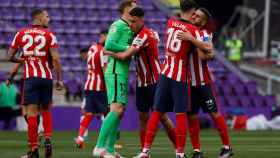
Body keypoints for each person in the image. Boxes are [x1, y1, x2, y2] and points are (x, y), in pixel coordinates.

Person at [134, 1, 213, 158]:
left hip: (164, 73)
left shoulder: (171, 22)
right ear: (191, 12)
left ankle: (145, 151)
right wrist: (191, 38)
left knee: (156, 112)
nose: (195, 16)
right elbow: (208, 49)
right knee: (180, 114)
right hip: (179, 77)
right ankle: (180, 153)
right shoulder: (193, 30)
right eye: (195, 13)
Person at [104, 7, 176, 149]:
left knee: (162, 117)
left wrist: (108, 51)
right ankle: (144, 151)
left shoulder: (144, 35)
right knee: (142, 117)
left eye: (133, 21)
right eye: (130, 21)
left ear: (141, 20)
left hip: (154, 81)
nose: (131, 25)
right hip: (141, 82)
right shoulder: (140, 35)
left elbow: (125, 55)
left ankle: (177, 148)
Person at [7, 9, 63, 158]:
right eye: (46, 16)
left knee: (31, 113)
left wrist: (25, 60)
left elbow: (9, 56)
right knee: (46, 110)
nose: (48, 19)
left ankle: (34, 150)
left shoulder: (21, 33)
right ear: (39, 18)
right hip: (46, 78)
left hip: (30, 78)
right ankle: (48, 138)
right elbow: (56, 59)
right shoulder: (50, 34)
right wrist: (59, 80)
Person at [183, 8, 233, 158]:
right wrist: (207, 50)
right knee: (191, 117)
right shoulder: (184, 32)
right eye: (194, 14)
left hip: (202, 82)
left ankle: (227, 147)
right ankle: (197, 151)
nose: (194, 17)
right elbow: (208, 53)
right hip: (188, 83)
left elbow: (205, 56)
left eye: (198, 17)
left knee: (214, 113)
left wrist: (192, 40)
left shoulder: (205, 35)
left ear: (203, 22)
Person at [92, 1, 136, 157]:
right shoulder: (119, 24)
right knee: (116, 109)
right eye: (133, 6)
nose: (136, 9)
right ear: (125, 9)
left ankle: (110, 150)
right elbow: (109, 44)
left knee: (119, 111)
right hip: (116, 70)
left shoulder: (128, 26)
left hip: (121, 71)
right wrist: (131, 48)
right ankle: (99, 147)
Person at [75, 30, 108, 149]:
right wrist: (110, 86)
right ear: (104, 36)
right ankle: (106, 143)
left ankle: (80, 137)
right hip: (100, 87)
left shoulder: (92, 48)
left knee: (89, 113)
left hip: (89, 85)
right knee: (108, 114)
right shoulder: (103, 51)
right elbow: (105, 70)